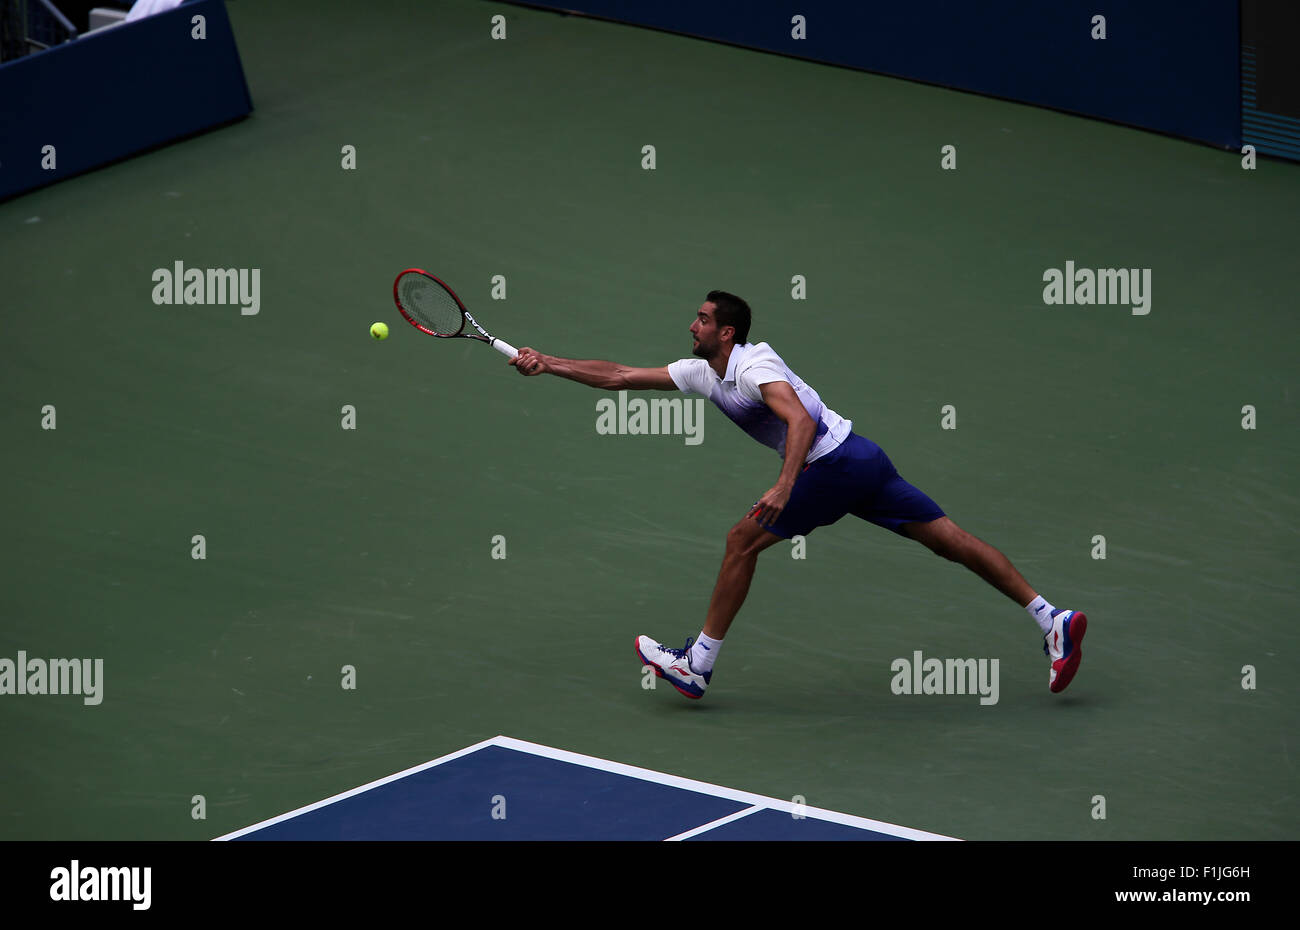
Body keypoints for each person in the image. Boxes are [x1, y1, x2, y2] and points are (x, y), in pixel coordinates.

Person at [509, 291, 1086, 700]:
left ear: (727, 332)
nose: (694, 325)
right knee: (948, 540)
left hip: (830, 465)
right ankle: (1050, 618)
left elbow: (799, 421)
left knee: (740, 542)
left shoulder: (755, 367)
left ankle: (697, 666)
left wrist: (785, 486)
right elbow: (619, 376)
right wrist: (548, 363)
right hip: (862, 455)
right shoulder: (703, 372)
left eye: (704, 319)